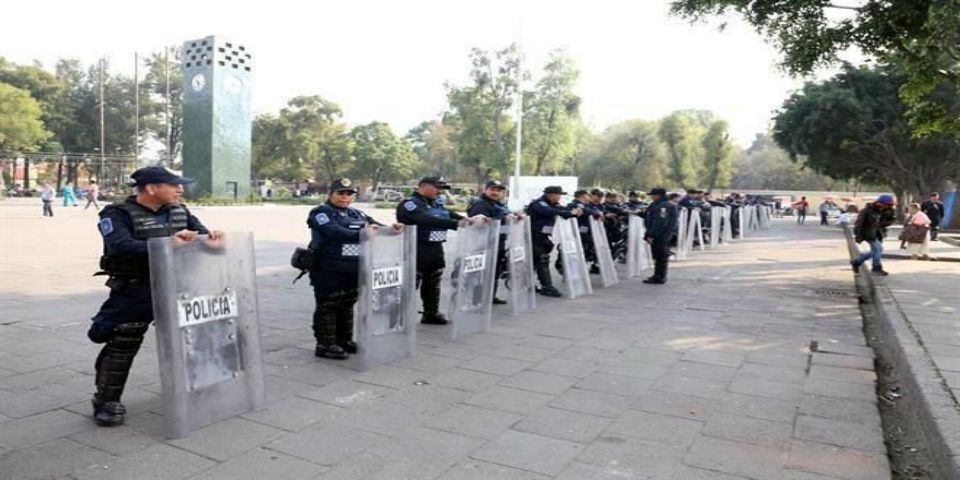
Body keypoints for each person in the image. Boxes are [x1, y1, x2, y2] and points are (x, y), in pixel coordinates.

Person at [88, 166, 222, 426]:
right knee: (123, 339)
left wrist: (212, 239)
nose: (181, 189)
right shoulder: (117, 214)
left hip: (178, 286)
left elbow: (203, 236)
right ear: (151, 188)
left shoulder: (180, 211)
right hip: (137, 288)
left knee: (192, 336)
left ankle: (198, 386)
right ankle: (107, 401)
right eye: (174, 185)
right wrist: (168, 243)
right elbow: (120, 246)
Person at [308, 178, 402, 359]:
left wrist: (392, 228)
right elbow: (334, 231)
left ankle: (344, 340)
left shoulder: (357, 214)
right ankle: (325, 344)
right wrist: (362, 233)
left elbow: (377, 227)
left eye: (349, 194)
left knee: (347, 304)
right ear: (331, 194)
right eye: (340, 193)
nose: (345, 197)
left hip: (353, 268)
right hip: (328, 268)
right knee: (328, 305)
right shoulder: (321, 213)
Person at [396, 176, 473, 325]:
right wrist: (455, 224)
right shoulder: (410, 204)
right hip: (416, 248)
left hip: (435, 248)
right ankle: (400, 316)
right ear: (423, 186)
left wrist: (467, 220)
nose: (439, 191)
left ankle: (431, 313)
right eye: (437, 187)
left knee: (433, 281)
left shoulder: (435, 203)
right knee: (411, 283)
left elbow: (448, 214)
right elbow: (425, 219)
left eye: (441, 188)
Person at [525, 186, 583, 297]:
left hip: (544, 237)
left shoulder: (553, 204)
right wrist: (571, 212)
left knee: (535, 262)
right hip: (533, 236)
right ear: (550, 194)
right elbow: (549, 211)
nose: (560, 197)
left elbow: (563, 210)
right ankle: (547, 286)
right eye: (558, 194)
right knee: (542, 260)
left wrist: (574, 212)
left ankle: (529, 283)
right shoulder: (539, 203)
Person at [466, 180, 513, 304]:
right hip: (483, 244)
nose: (495, 192)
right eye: (492, 189)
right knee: (482, 273)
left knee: (494, 271)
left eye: (498, 190)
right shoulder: (481, 204)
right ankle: (478, 300)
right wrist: (503, 218)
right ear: (485, 189)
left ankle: (490, 296)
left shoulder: (498, 204)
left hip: (497, 241)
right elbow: (480, 223)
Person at [851, 194, 897, 276]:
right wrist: (858, 235)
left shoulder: (889, 210)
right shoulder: (867, 210)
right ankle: (876, 268)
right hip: (868, 233)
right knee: (878, 249)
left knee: (875, 251)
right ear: (880, 203)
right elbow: (859, 224)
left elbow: (891, 220)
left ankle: (857, 262)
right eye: (887, 205)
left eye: (890, 205)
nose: (888, 207)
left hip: (879, 233)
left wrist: (884, 223)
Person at [643, 188, 678, 284]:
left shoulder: (664, 206)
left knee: (660, 256)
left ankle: (659, 277)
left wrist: (651, 235)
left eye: (653, 195)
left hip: (661, 235)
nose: (651, 197)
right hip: (662, 234)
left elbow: (660, 223)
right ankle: (658, 275)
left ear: (658, 195)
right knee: (659, 256)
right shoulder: (660, 204)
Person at [568, 190, 603, 274]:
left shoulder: (586, 205)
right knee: (579, 250)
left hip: (585, 231)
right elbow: (588, 211)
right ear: (583, 196)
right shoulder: (576, 204)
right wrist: (597, 213)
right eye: (588, 195)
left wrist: (598, 213)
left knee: (587, 248)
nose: (589, 197)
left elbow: (594, 211)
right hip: (578, 231)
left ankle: (582, 267)